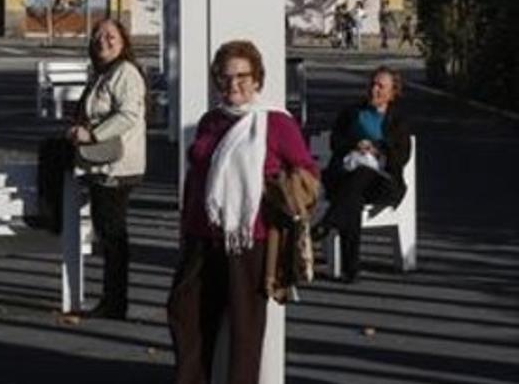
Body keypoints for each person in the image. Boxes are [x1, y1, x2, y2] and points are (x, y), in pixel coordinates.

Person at [167, 40, 316, 384]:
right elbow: (196, 176)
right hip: (201, 235)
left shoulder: (276, 123)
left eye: (242, 76)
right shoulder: (210, 121)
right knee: (185, 313)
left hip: (251, 239)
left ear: (257, 79)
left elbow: (308, 173)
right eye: (225, 77)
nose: (233, 84)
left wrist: (275, 187)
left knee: (245, 330)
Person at [70, 18, 147, 319]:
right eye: (97, 35)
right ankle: (113, 298)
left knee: (113, 235)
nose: (103, 40)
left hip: (117, 164)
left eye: (110, 35)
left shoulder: (125, 73)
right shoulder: (104, 74)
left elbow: (128, 114)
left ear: (124, 41)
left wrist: (93, 134)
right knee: (108, 232)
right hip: (103, 163)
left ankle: (115, 301)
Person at [315, 66, 410, 283]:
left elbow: (401, 156)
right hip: (348, 175)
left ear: (393, 93)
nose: (374, 90)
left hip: (382, 182)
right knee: (353, 197)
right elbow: (335, 141)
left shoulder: (398, 121)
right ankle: (351, 270)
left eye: (380, 86)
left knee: (361, 178)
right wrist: (355, 144)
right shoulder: (352, 112)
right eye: (372, 84)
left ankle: (327, 224)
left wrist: (377, 149)